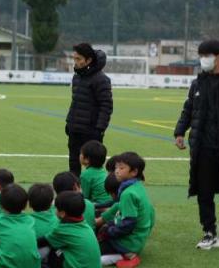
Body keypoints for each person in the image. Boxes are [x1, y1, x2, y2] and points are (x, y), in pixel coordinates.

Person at [173, 39, 219, 249]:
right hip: (202, 147)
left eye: (208, 55)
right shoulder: (198, 83)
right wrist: (179, 131)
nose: (204, 59)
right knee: (204, 191)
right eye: (201, 55)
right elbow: (188, 109)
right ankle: (209, 231)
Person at [97, 152, 154, 267]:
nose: (117, 170)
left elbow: (128, 224)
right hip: (137, 240)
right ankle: (126, 253)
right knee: (102, 234)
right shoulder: (137, 187)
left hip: (128, 242)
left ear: (134, 172)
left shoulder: (128, 193)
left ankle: (126, 255)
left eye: (121, 168)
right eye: (116, 167)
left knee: (92, 252)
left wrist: (108, 232)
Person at [66, 43, 113, 176]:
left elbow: (106, 106)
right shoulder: (77, 77)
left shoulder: (101, 79)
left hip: (91, 131)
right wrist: (69, 123)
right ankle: (74, 194)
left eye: (79, 59)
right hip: (75, 129)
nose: (75, 62)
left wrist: (99, 130)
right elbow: (75, 102)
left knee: (93, 167)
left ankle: (94, 194)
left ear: (89, 60)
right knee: (73, 163)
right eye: (74, 58)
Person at [0, 184, 41, 268]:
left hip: (5, 265)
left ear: (0, 204)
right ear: (25, 206)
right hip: (34, 265)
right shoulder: (30, 220)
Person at [45, 191, 101, 268]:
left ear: (62, 213)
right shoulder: (84, 224)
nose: (55, 211)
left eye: (56, 208)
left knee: (54, 252)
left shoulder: (63, 230)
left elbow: (45, 240)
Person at [80, 140, 112, 205]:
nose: (80, 155)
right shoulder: (103, 170)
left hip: (99, 206)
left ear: (87, 159)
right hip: (111, 203)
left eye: (81, 153)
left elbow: (85, 197)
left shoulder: (86, 174)